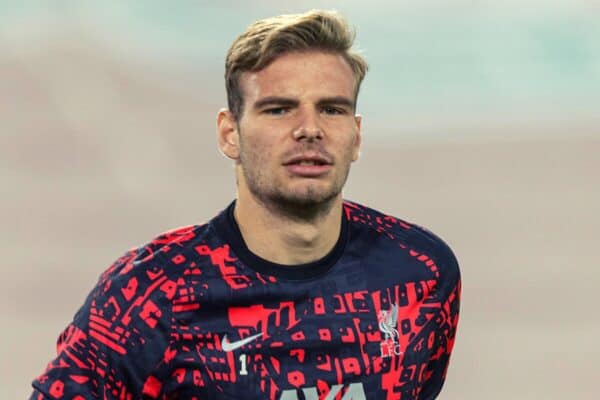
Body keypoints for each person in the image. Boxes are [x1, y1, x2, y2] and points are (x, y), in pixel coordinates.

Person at [30, 9, 460, 400]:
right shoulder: (148, 295)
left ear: (356, 135)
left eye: (331, 109)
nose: (309, 129)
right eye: (278, 110)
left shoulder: (420, 273)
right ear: (229, 133)